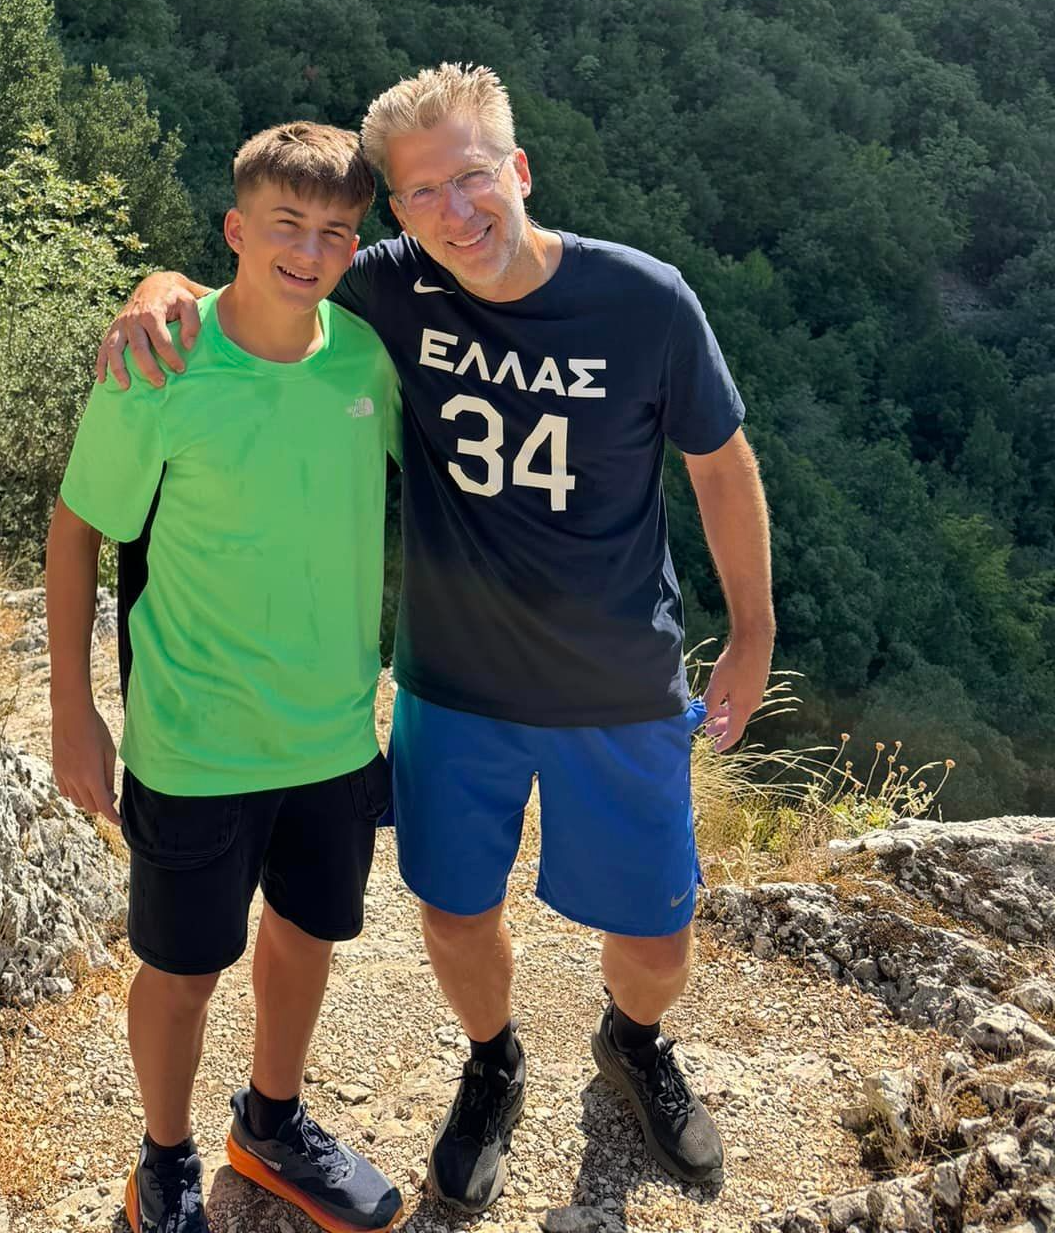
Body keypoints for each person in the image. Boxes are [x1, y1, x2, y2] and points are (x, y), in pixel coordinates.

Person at [97, 63, 774, 1214]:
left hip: (617, 678)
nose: (454, 211)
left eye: (472, 177)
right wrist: (155, 285)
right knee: (457, 912)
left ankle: (633, 1040)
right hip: (453, 684)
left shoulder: (645, 300)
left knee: (656, 934)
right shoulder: (389, 287)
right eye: (420, 193)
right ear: (399, 213)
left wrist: (753, 629)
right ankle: (493, 1058)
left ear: (520, 169)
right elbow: (262, 280)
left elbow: (719, 460)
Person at [48, 121, 405, 1233]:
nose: (310, 250)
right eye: (286, 224)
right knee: (183, 967)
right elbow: (75, 531)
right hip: (195, 738)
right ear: (235, 231)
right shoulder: (160, 366)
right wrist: (73, 711)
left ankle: (272, 1123)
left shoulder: (366, 360)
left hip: (335, 734)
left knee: (306, 932)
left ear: (358, 244)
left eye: (336, 232)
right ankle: (164, 1159)